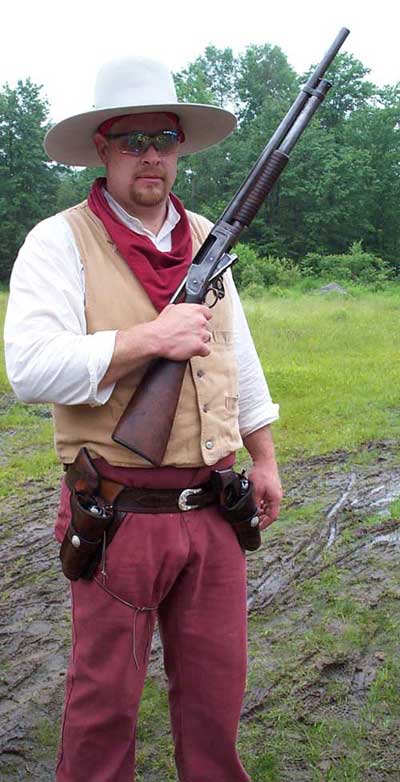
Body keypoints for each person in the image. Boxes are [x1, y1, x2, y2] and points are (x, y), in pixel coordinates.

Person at [4, 56, 282, 782]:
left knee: (217, 699)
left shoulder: (205, 236)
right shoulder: (57, 241)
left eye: (164, 137)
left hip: (215, 507)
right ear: (102, 147)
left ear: (179, 147)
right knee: (104, 702)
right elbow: (30, 367)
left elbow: (237, 357)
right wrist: (145, 340)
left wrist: (266, 456)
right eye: (133, 140)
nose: (151, 153)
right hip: (118, 510)